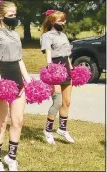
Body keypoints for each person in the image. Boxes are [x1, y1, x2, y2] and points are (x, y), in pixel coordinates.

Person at [0, 1, 32, 171]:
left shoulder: (15, 34)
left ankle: (11, 157)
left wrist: (28, 80)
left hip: (17, 79)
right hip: (1, 78)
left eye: (15, 14)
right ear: (1, 15)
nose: (15, 17)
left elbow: (19, 59)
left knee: (18, 121)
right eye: (11, 15)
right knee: (2, 120)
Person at [40, 10, 75, 144]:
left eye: (64, 20)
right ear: (52, 21)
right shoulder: (47, 36)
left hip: (66, 67)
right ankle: (48, 130)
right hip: (55, 68)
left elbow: (67, 54)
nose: (63, 23)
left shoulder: (64, 35)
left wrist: (71, 68)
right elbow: (48, 53)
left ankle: (62, 129)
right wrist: (50, 70)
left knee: (67, 102)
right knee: (57, 102)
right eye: (60, 20)